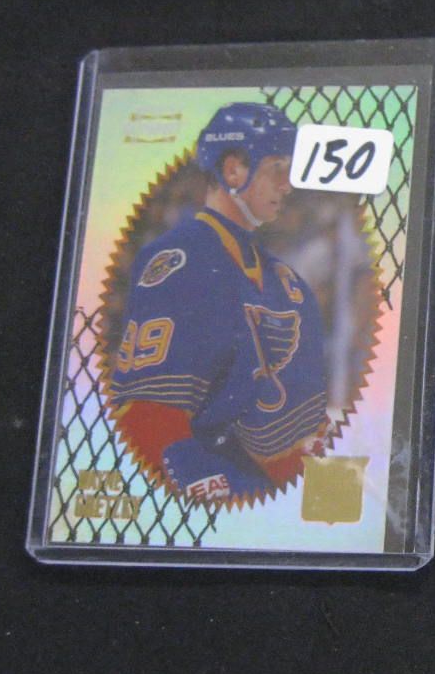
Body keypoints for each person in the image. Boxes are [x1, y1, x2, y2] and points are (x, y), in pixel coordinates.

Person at [107, 103, 328, 506]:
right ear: (234, 170)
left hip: (269, 491)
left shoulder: (289, 283)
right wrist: (224, 497)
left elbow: (293, 439)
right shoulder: (180, 258)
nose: (287, 185)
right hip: (200, 488)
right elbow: (146, 412)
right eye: (277, 168)